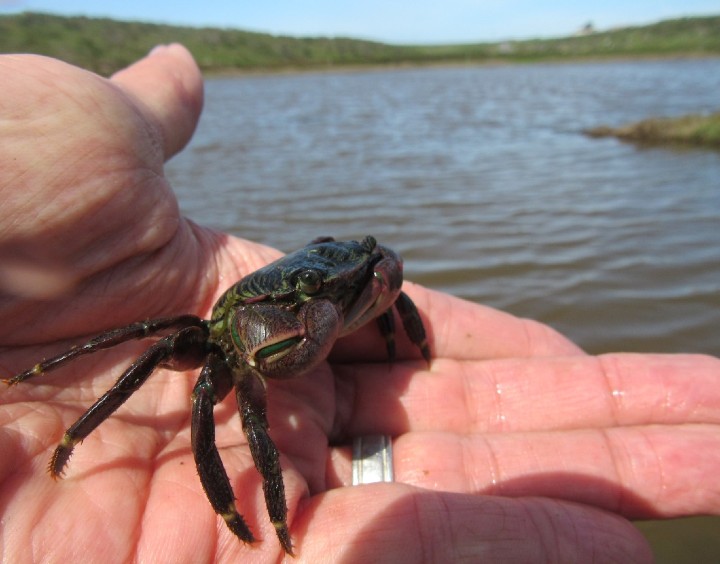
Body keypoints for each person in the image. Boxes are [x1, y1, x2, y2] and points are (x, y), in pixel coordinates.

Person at [0, 46, 717, 563]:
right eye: (329, 301)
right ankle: (210, 495)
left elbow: (382, 273)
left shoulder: (355, 267)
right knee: (166, 360)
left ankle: (402, 356)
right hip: (243, 325)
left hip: (309, 294)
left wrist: (394, 315)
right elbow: (262, 352)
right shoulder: (262, 319)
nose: (339, 300)